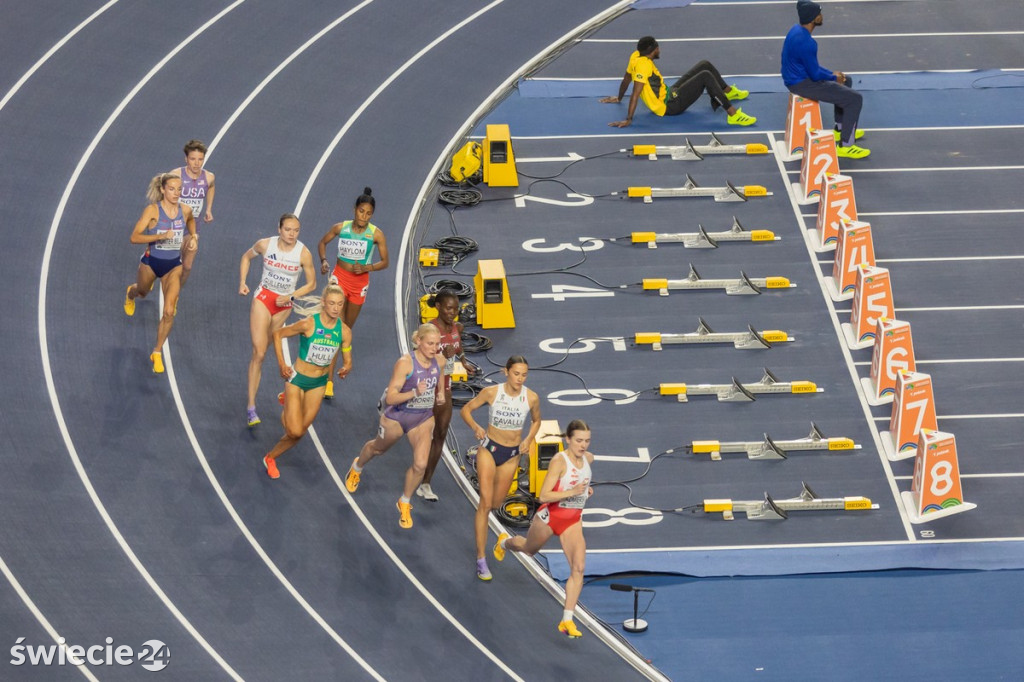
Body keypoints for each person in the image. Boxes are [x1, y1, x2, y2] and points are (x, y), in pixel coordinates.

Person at [493, 420, 594, 639]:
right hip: (550, 517)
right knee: (528, 550)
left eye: (587, 441)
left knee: (578, 568)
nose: (583, 445)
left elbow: (581, 484)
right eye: (578, 441)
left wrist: (586, 491)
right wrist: (573, 492)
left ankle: (567, 619)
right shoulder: (559, 461)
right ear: (568, 439)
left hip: (573, 521)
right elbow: (544, 495)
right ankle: (503, 541)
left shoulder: (589, 459)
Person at [345, 324, 444, 530]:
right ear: (418, 341)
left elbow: (440, 374)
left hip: (423, 417)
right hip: (398, 416)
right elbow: (390, 397)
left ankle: (404, 502)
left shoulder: (440, 360)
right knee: (377, 449)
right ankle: (357, 467)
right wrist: (415, 392)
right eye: (430, 343)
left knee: (420, 465)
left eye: (437, 343)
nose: (435, 348)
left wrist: (441, 392)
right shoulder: (405, 363)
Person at [460, 356, 542, 581]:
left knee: (496, 503)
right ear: (506, 372)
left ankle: (499, 540)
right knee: (485, 504)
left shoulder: (532, 397)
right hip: (489, 450)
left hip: (512, 455)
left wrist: (528, 439)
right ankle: (480, 559)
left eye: (524, 374)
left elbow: (536, 421)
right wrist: (476, 427)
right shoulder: (492, 393)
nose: (520, 378)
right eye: (516, 374)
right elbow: (465, 410)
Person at [263, 284, 352, 479]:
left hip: (319, 384)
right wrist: (282, 365)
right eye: (332, 304)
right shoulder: (309, 324)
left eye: (339, 304)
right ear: (323, 303)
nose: (336, 308)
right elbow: (278, 334)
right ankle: (287, 399)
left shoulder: (344, 331)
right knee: (292, 430)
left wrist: (346, 366)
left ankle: (270, 457)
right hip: (297, 380)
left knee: (299, 433)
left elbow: (347, 354)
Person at [239, 213, 317, 427]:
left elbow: (311, 284)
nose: (292, 234)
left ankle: (289, 390)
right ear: (279, 229)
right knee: (260, 352)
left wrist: (291, 296)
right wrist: (243, 282)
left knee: (272, 345)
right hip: (264, 298)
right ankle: (251, 407)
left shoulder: (303, 253)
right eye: (288, 230)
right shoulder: (265, 244)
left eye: (296, 230)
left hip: (284, 304)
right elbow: (246, 257)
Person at [124, 173, 197, 374]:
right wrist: (161, 236)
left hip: (173, 266)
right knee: (142, 292)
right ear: (163, 190)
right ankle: (131, 292)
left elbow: (191, 220)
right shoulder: (152, 210)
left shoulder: (185, 210)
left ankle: (157, 351)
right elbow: (134, 237)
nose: (176, 193)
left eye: (179, 189)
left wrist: (193, 235)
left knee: (169, 311)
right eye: (172, 189)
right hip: (151, 263)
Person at [601, 36, 756, 128]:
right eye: (657, 48)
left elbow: (626, 78)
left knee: (704, 64)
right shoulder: (644, 66)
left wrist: (619, 97)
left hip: (669, 92)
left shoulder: (635, 56)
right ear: (652, 50)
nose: (659, 50)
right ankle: (732, 114)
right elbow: (636, 93)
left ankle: (728, 92)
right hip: (670, 106)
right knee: (705, 76)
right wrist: (628, 119)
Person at [782, 1, 869, 158]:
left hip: (798, 77)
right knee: (855, 99)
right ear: (813, 19)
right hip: (801, 84)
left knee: (846, 80)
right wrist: (832, 76)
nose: (822, 16)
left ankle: (841, 129)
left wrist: (834, 75)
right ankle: (846, 145)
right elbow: (815, 75)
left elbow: (812, 67)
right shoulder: (807, 43)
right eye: (819, 14)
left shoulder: (796, 30)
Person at [418, 290, 479, 502]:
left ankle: (425, 483)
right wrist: (441, 356)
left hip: (445, 387)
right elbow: (418, 359)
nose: (453, 313)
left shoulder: (455, 328)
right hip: (426, 386)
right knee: (416, 433)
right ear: (438, 307)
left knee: (441, 433)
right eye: (448, 308)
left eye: (456, 309)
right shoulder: (429, 330)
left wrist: (463, 359)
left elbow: (457, 343)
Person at [168, 139, 215, 286]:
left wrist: (208, 208)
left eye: (200, 159)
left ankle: (175, 294)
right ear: (186, 159)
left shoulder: (208, 177)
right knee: (167, 263)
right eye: (193, 159)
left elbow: (211, 187)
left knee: (187, 266)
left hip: (192, 228)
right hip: (174, 225)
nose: (196, 163)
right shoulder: (176, 175)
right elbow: (162, 191)